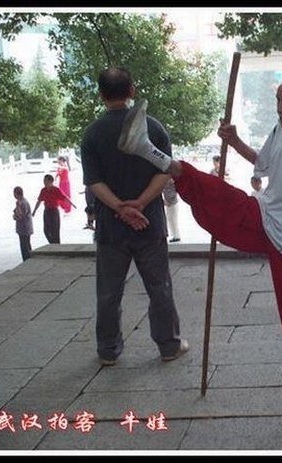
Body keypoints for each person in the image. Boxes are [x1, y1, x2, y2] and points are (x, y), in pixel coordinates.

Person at [116, 75, 282, 414]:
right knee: (221, 198)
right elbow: (265, 162)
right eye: (278, 100)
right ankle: (149, 151)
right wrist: (235, 140)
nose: (280, 107)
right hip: (264, 216)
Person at [80, 67, 188, 366]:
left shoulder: (92, 134)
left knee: (109, 291)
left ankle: (108, 350)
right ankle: (168, 346)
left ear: (101, 95)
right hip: (150, 222)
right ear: (132, 91)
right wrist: (139, 203)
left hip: (110, 228)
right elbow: (165, 172)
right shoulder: (153, 128)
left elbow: (94, 182)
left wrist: (119, 207)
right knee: (159, 287)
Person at [32, 174, 76, 244]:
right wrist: (34, 211)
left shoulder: (56, 190)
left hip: (54, 212)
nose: (44, 183)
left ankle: (56, 246)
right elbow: (39, 201)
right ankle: (52, 244)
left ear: (51, 181)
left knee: (55, 231)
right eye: (44, 181)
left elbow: (64, 198)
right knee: (46, 231)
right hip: (46, 211)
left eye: (46, 181)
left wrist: (72, 204)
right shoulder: (43, 190)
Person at [12, 186, 34, 261]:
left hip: (24, 228)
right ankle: (29, 259)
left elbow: (21, 215)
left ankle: (27, 260)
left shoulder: (22, 203)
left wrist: (15, 217)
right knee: (27, 244)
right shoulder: (23, 201)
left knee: (24, 246)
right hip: (25, 228)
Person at [163, 177, 181, 243]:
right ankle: (174, 235)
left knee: (173, 219)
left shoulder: (171, 182)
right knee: (170, 219)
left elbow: (174, 192)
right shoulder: (167, 182)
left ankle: (176, 235)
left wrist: (168, 201)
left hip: (172, 202)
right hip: (169, 202)